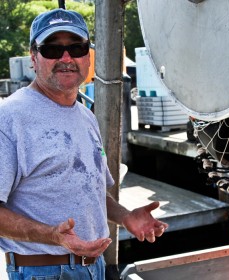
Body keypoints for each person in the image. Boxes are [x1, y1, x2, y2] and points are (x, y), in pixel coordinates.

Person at [0, 8, 168, 279]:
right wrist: (53, 236)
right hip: (41, 271)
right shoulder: (9, 118)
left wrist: (126, 217)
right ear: (33, 57)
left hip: (93, 268)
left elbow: (92, 191)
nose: (66, 58)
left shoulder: (85, 116)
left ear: (87, 57)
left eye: (76, 48)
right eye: (52, 49)